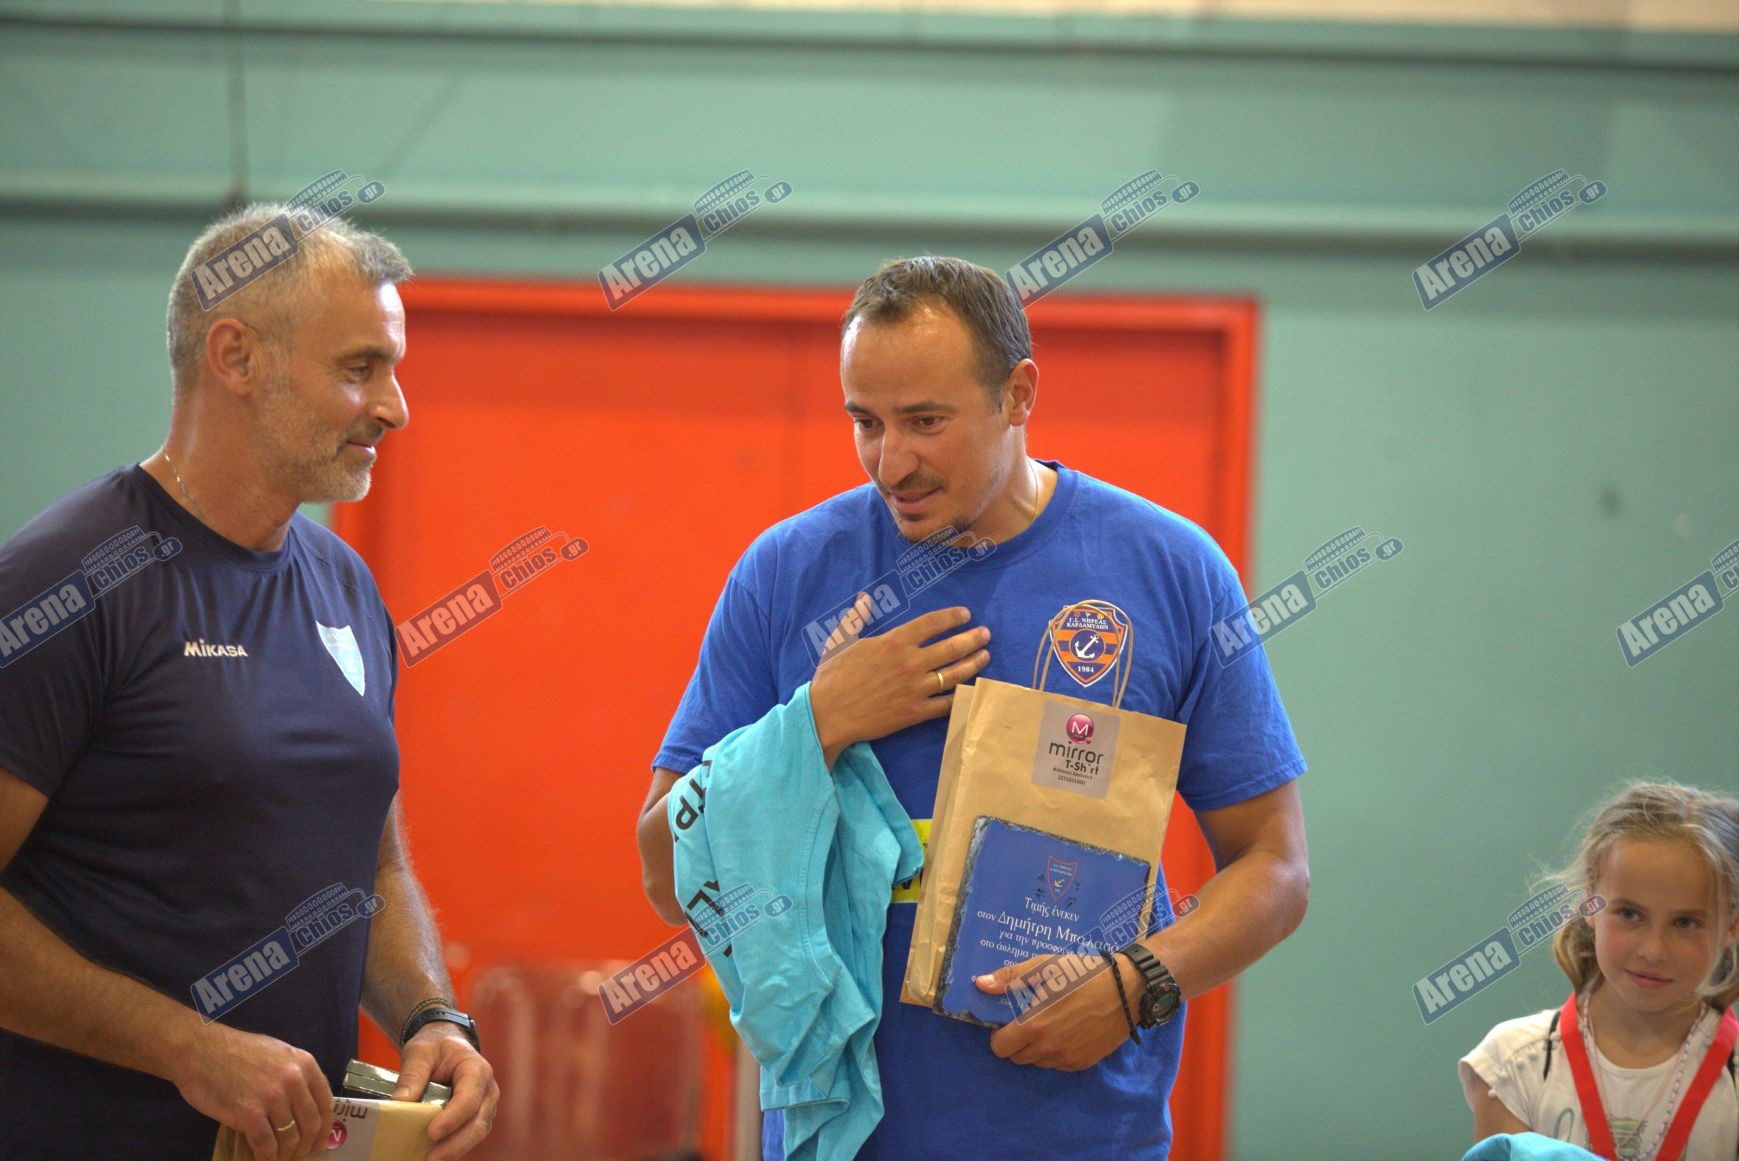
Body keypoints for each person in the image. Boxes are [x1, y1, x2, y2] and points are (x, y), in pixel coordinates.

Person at [636, 256, 1309, 1159]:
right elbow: (663, 870)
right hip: (841, 1136)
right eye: (865, 422)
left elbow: (1274, 865)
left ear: (1017, 393)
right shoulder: (787, 571)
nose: (891, 462)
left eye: (925, 421)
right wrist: (815, 724)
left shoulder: (1169, 570)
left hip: (1083, 1135)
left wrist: (1138, 981)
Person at [0, 203, 498, 1161]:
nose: (395, 407)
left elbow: (374, 868)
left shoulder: (344, 585)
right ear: (235, 356)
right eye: (360, 368)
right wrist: (187, 1047)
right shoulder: (68, 582)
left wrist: (431, 1016)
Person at [1460, 782, 1739, 1158]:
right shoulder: (1512, 1065)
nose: (1653, 950)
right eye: (1630, 914)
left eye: (1686, 922)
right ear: (1590, 901)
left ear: (1731, 925)